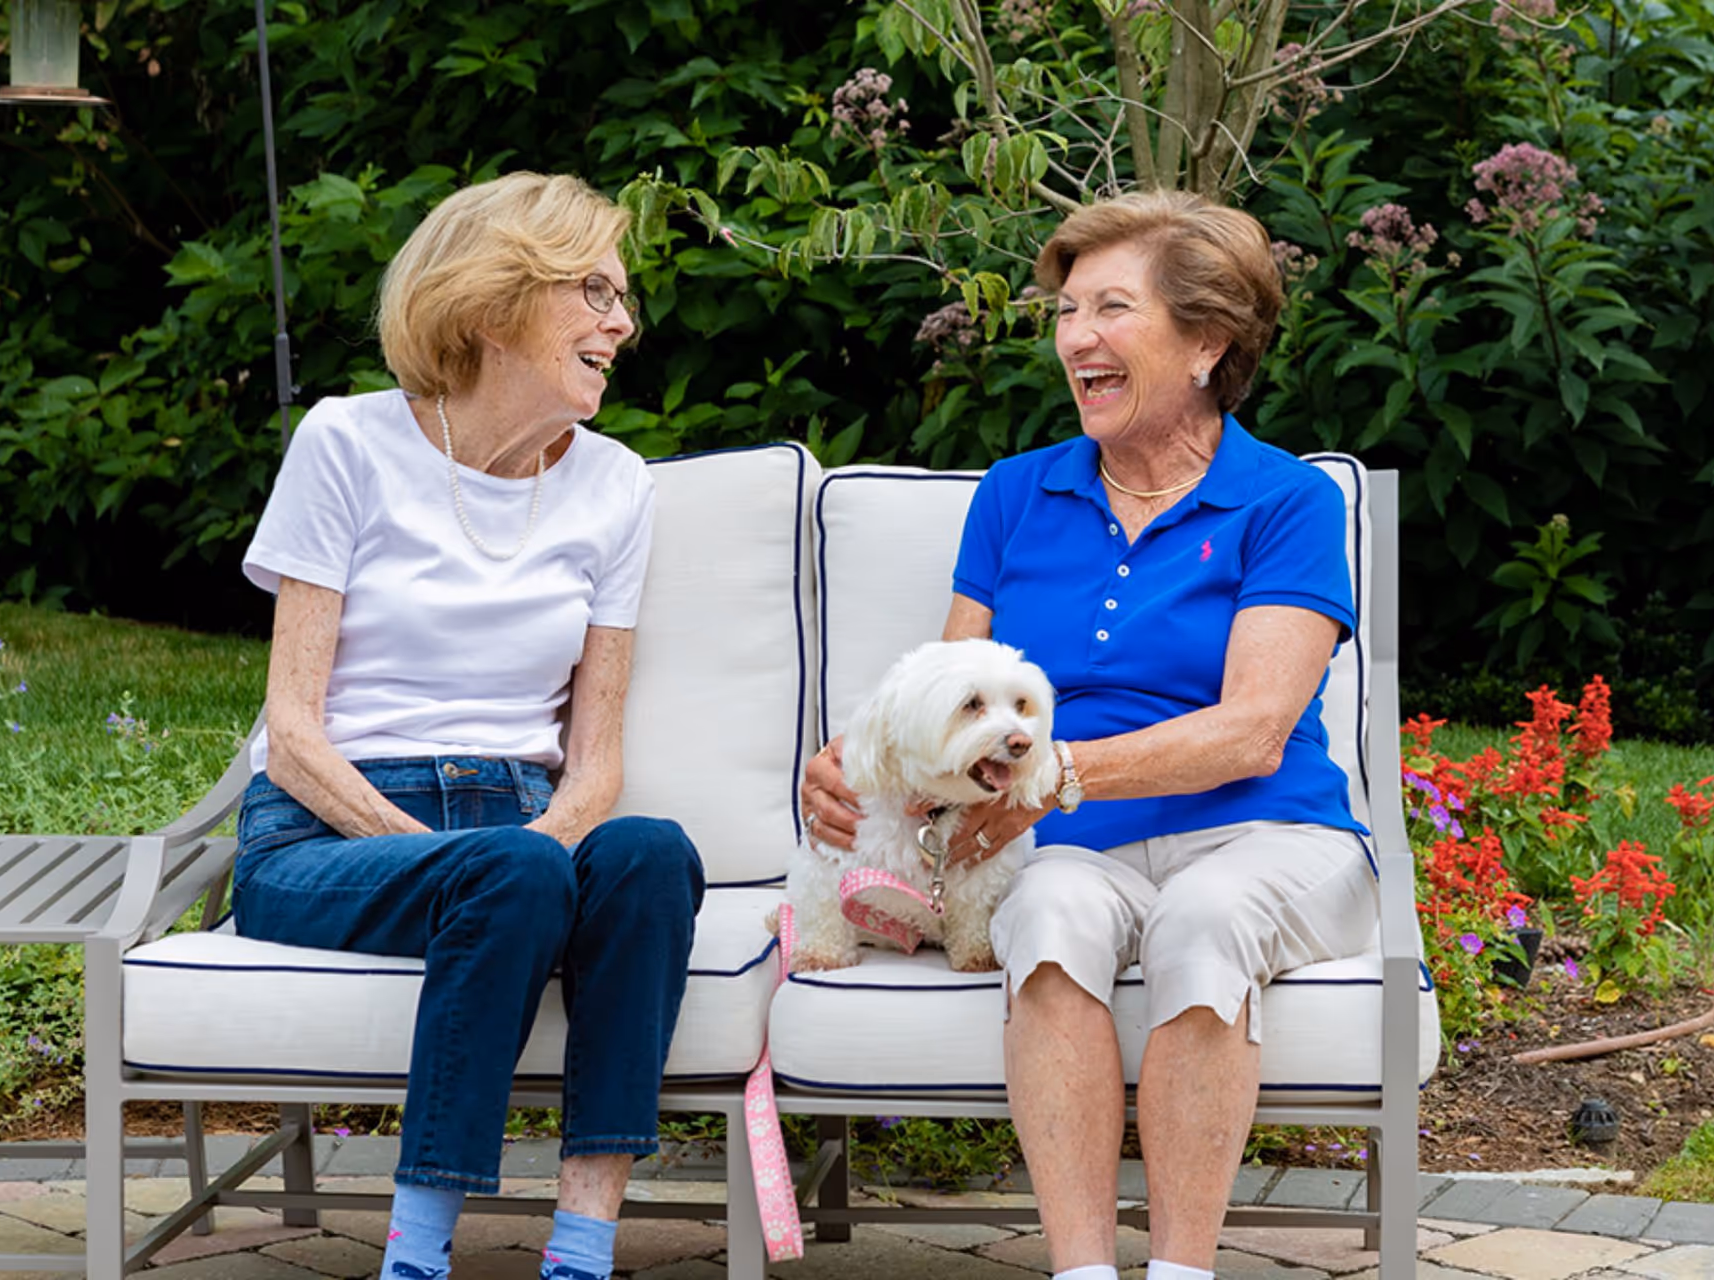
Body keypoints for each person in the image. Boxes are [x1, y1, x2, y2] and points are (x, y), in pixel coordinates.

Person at [800, 190, 1377, 1280]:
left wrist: (1054, 772)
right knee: (1052, 907)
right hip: (1080, 845)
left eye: (1111, 307)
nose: (1075, 337)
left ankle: (1180, 1270)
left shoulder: (1285, 500)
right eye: (1068, 311)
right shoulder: (1019, 493)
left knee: (1206, 913)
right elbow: (950, 688)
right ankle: (1078, 1270)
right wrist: (853, 764)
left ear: (1207, 341)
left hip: (1270, 837)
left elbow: (1257, 727)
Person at [232, 171, 704, 1280]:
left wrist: (524, 852)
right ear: (495, 302)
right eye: (593, 290)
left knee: (649, 854)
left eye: (622, 296)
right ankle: (416, 1254)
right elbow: (293, 730)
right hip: (325, 835)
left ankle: (581, 1248)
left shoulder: (617, 486)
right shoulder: (347, 442)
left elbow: (595, 759)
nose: (621, 323)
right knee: (512, 877)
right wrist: (457, 860)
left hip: (515, 829)